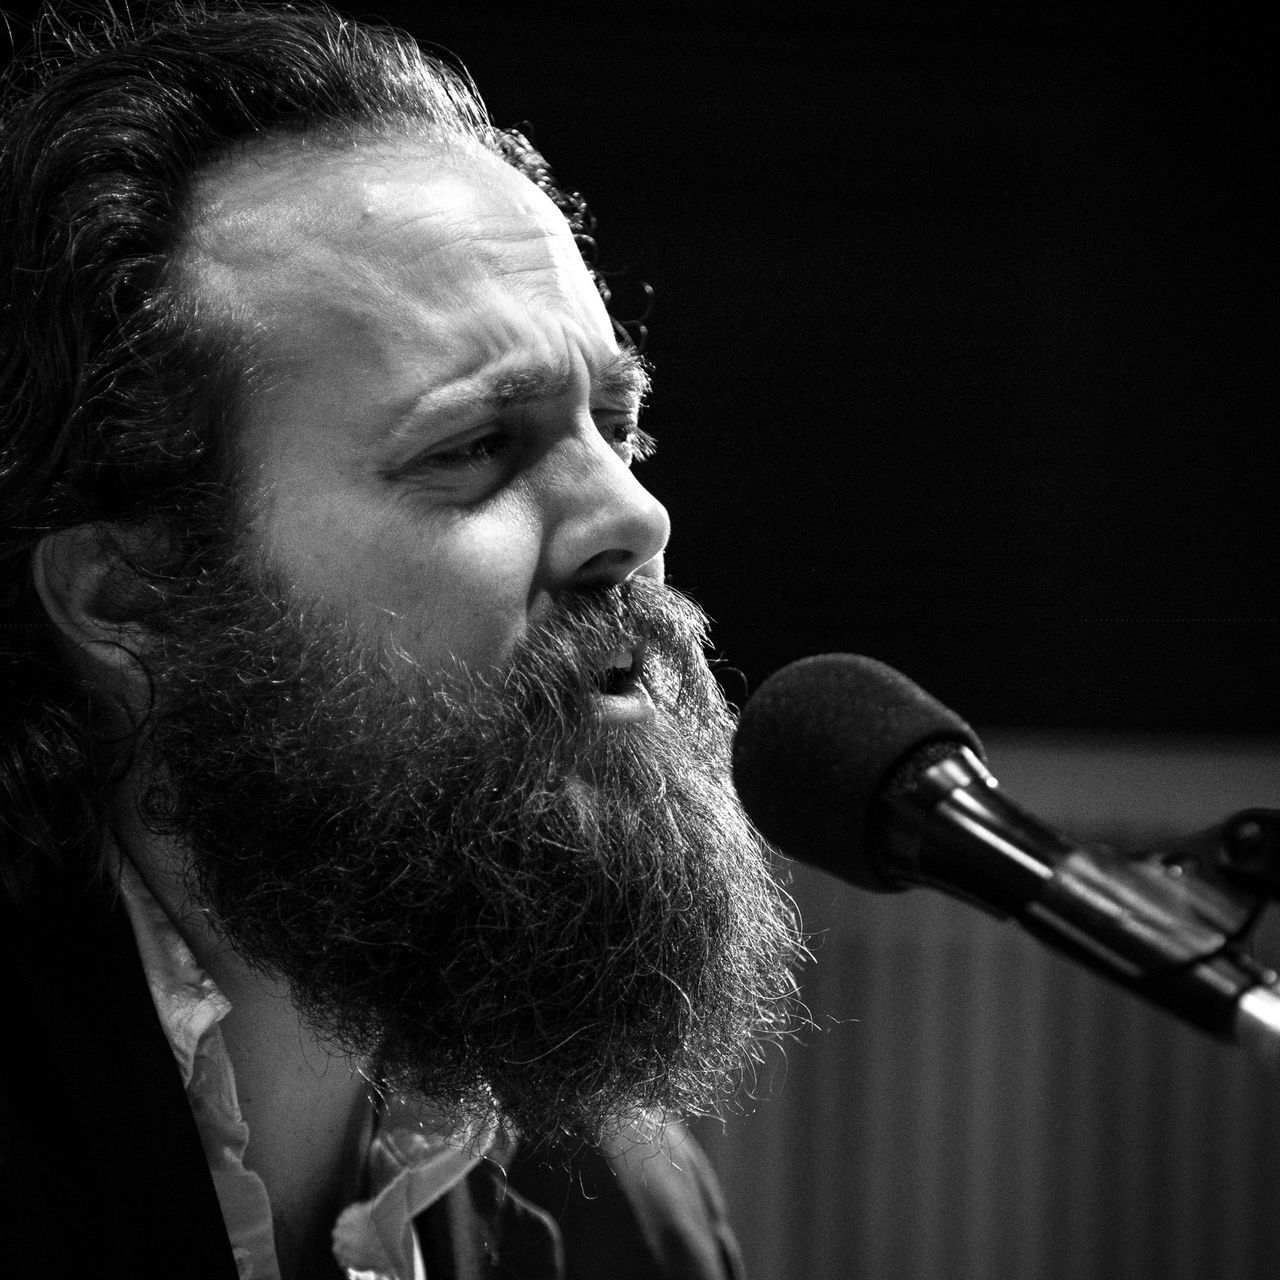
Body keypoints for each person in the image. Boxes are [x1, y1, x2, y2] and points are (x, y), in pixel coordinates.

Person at [0, 3, 801, 1277]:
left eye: (616, 421)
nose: (633, 517)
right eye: (476, 446)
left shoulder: (624, 1205)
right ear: (126, 595)